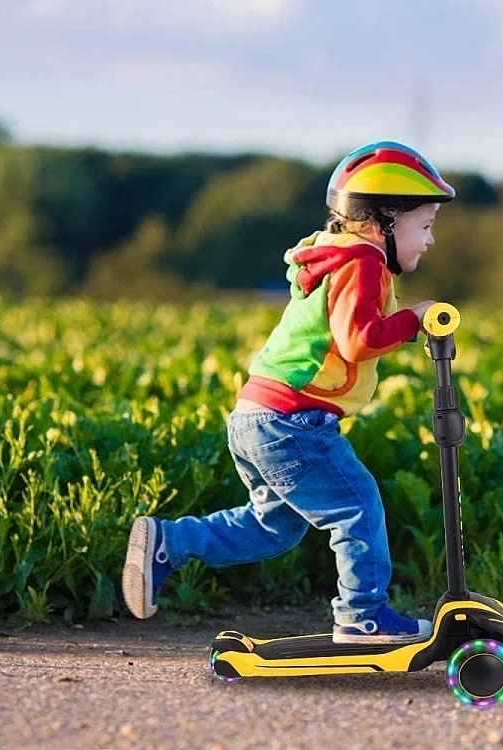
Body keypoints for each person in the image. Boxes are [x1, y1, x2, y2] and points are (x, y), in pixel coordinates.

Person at [122, 140, 456, 644]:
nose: (429, 241)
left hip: (257, 415)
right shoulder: (362, 260)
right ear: (382, 220)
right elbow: (359, 339)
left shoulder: (336, 257)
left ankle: (169, 542)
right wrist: (413, 318)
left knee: (272, 528)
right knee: (357, 505)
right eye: (424, 226)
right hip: (292, 422)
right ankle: (363, 615)